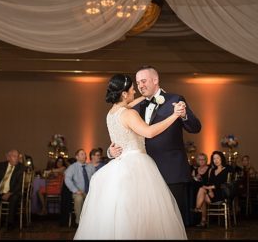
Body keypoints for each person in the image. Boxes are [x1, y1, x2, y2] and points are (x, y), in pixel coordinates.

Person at [74, 74, 187, 239]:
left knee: (121, 215)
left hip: (119, 165)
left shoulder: (111, 113)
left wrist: (147, 95)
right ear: (124, 94)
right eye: (132, 89)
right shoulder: (129, 114)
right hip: (137, 165)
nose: (135, 90)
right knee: (142, 215)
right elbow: (149, 132)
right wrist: (175, 115)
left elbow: (129, 105)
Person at [108, 65, 202, 226]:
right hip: (142, 174)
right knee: (147, 223)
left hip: (171, 171)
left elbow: (195, 127)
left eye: (143, 81)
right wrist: (111, 152)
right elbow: (121, 133)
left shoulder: (175, 100)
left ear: (155, 80)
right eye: (137, 83)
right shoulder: (133, 106)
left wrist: (184, 114)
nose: (140, 86)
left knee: (173, 222)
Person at [0, 149, 24, 230]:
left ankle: (10, 223)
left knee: (14, 198)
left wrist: (10, 193)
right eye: (14, 156)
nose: (17, 158)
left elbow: (20, 184)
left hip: (13, 192)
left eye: (17, 156)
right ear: (8, 157)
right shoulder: (0, 166)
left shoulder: (21, 167)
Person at [193, 151, 230, 227]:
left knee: (202, 190)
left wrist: (208, 188)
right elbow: (210, 182)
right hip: (212, 193)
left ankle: (197, 209)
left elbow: (221, 184)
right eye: (214, 159)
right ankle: (202, 218)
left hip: (221, 193)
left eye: (217, 158)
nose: (216, 160)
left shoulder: (226, 170)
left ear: (221, 159)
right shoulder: (213, 170)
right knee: (202, 192)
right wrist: (209, 190)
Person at [64, 149, 95, 225]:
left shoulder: (90, 166)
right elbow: (67, 179)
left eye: (85, 154)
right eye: (82, 154)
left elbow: (95, 178)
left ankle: (93, 221)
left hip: (90, 192)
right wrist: (75, 190)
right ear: (77, 157)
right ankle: (79, 221)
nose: (85, 156)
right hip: (78, 192)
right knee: (79, 198)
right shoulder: (72, 167)